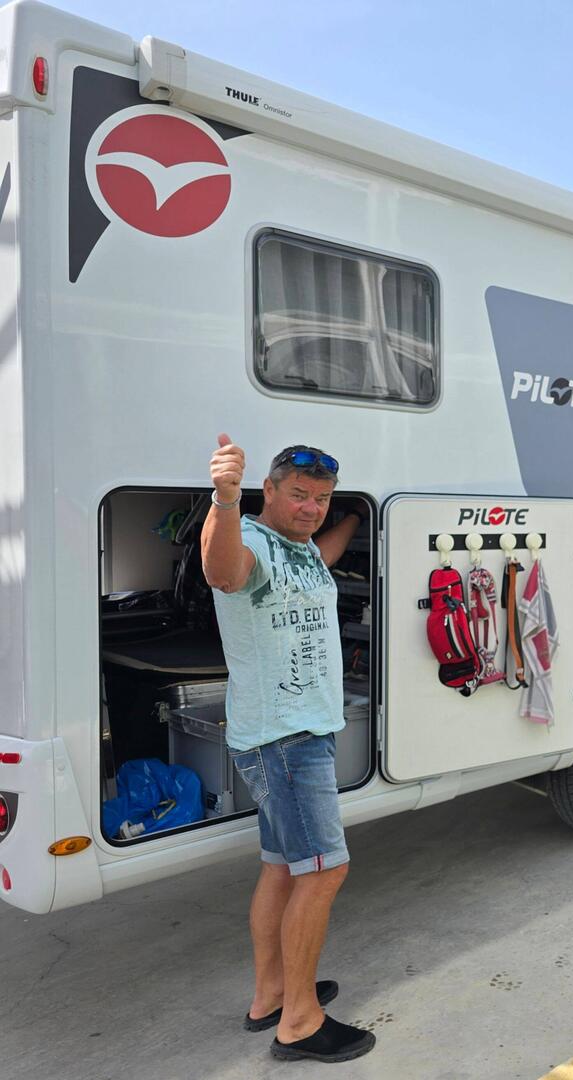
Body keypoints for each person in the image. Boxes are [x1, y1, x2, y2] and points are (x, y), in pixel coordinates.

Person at [201, 435, 375, 1064]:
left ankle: (271, 994)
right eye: (298, 495)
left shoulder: (299, 549)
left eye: (320, 498)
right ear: (267, 491)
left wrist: (353, 517)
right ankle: (300, 1022)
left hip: (295, 735)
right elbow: (222, 572)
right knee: (325, 869)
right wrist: (223, 499)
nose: (310, 507)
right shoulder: (247, 541)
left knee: (282, 867)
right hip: (285, 742)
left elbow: (321, 555)